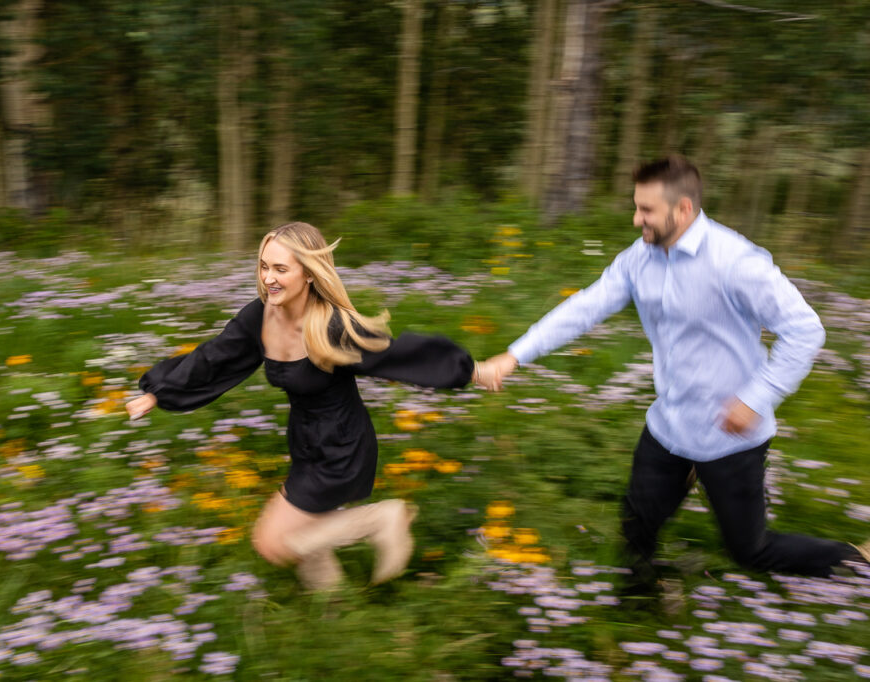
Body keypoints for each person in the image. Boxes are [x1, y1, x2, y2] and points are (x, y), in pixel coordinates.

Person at [480, 156, 869, 584]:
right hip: (669, 425)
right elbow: (586, 306)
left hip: (731, 437)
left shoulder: (735, 261)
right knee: (635, 530)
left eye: (646, 210)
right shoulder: (640, 258)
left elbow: (805, 330)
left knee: (750, 551)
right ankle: (644, 612)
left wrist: (756, 400)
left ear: (682, 209)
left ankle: (857, 560)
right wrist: (515, 354)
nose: (635, 219)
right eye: (636, 206)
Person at [126, 222, 489, 591]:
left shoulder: (332, 326)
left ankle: (383, 518)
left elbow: (398, 357)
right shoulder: (261, 316)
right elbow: (214, 357)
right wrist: (158, 392)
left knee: (273, 542)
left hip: (342, 446)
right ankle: (334, 614)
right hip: (306, 442)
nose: (268, 278)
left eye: (281, 269)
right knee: (311, 533)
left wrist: (472, 370)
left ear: (309, 274)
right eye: (264, 266)